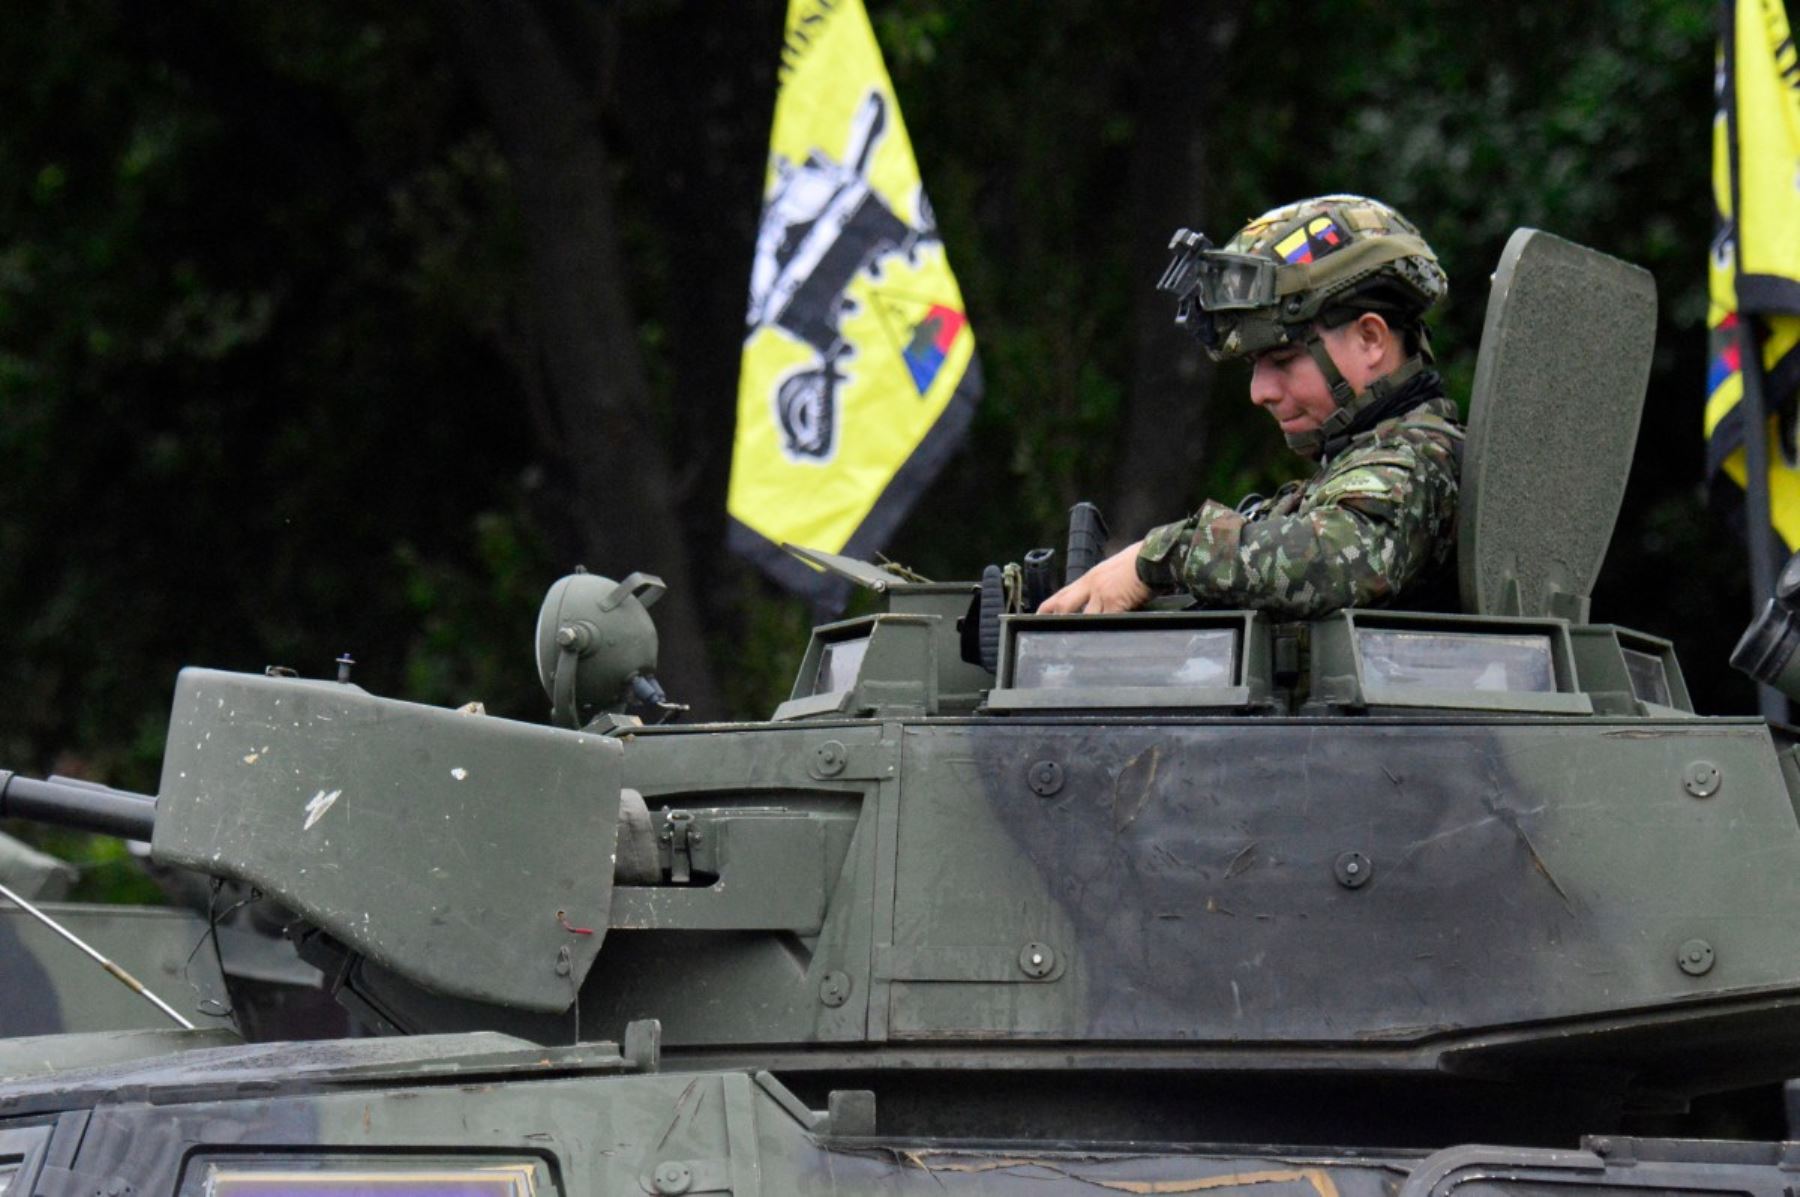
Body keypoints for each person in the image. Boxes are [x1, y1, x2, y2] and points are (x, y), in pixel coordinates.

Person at [1039, 194, 1463, 620]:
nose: (1260, 392)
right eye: (1253, 366)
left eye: (1282, 360)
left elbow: (1337, 558)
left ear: (1370, 338)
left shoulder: (1419, 461)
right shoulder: (1361, 466)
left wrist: (1161, 557)